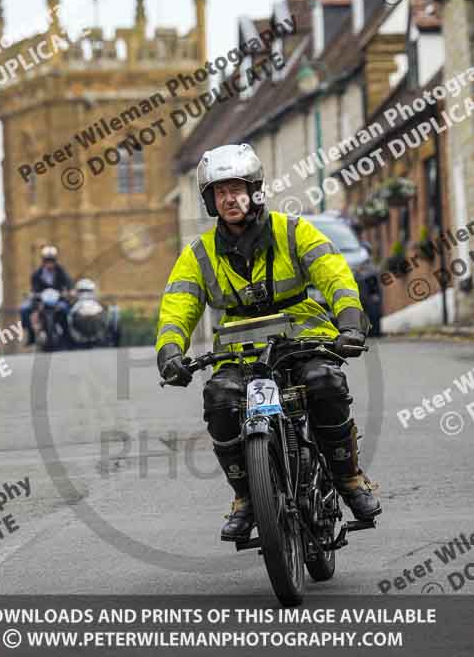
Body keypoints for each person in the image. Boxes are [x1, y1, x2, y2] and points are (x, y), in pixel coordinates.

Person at [156, 143, 381, 542]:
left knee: (325, 383)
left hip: (304, 338)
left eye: (236, 188)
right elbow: (178, 304)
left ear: (255, 190)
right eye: (219, 192)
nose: (229, 198)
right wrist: (171, 352)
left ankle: (349, 479)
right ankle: (245, 497)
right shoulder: (199, 253)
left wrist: (349, 322)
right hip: (239, 351)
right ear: (210, 200)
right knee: (221, 400)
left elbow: (335, 275)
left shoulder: (294, 231)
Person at [20, 245, 73, 345]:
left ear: (55, 260)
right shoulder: (37, 274)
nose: (50, 263)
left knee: (66, 309)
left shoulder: (61, 271)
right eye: (47, 260)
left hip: (58, 299)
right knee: (24, 309)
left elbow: (68, 282)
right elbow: (34, 288)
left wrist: (70, 290)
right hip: (40, 300)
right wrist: (33, 295)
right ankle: (31, 334)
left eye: (52, 260)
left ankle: (68, 334)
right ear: (43, 261)